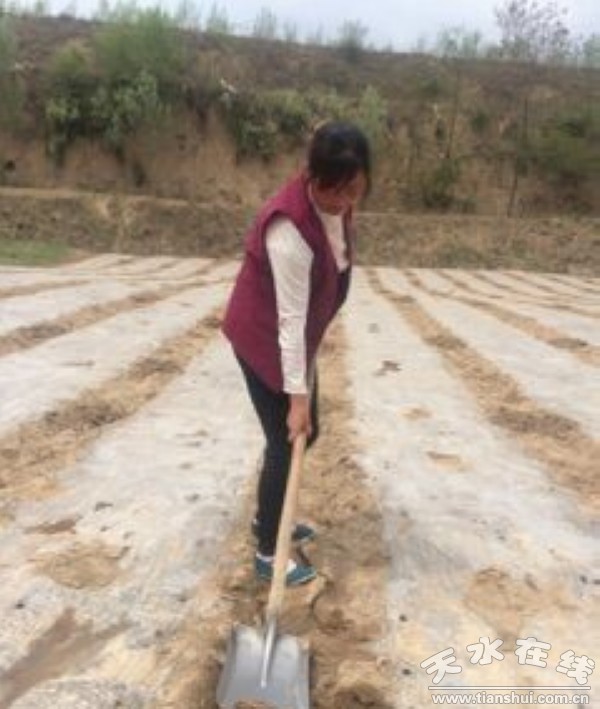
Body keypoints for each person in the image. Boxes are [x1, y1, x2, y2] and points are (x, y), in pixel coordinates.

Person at [222, 120, 371, 586]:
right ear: (313, 176)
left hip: (295, 339)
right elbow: (288, 321)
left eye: (354, 190)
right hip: (263, 339)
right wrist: (297, 399)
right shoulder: (288, 229)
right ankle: (269, 552)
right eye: (335, 191)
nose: (344, 201)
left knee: (309, 433)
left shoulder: (338, 205)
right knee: (287, 441)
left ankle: (265, 517)